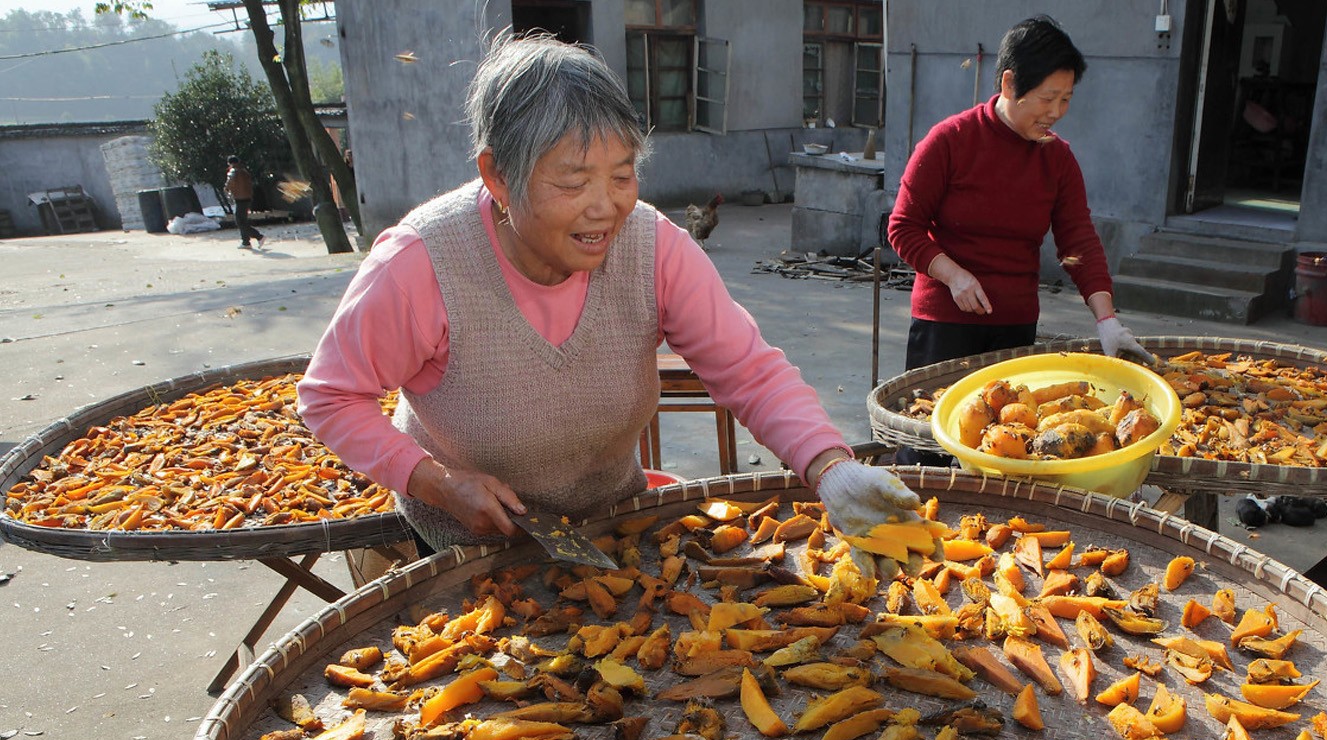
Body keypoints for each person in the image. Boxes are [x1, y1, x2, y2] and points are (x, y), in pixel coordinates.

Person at [298, 32, 918, 553]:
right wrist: (434, 482)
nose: (606, 207)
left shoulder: (652, 245)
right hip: (469, 537)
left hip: (611, 518)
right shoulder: (420, 266)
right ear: (497, 176)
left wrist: (829, 467)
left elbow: (748, 370)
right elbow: (330, 398)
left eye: (622, 175)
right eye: (573, 182)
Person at [887, 16, 1152, 463]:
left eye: (1066, 100)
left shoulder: (1058, 160)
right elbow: (903, 227)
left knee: (1008, 451)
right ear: (1010, 83)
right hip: (944, 328)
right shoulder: (950, 141)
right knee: (930, 451)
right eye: (1048, 98)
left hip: (1014, 329)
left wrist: (1107, 322)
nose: (1056, 112)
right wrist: (953, 275)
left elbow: (1079, 243)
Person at [223, 155, 264, 249]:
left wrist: (226, 188)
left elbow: (230, 181)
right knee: (243, 221)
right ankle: (246, 242)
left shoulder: (233, 171)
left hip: (239, 198)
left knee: (239, 221)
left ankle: (259, 237)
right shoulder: (245, 171)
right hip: (247, 198)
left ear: (230, 163)